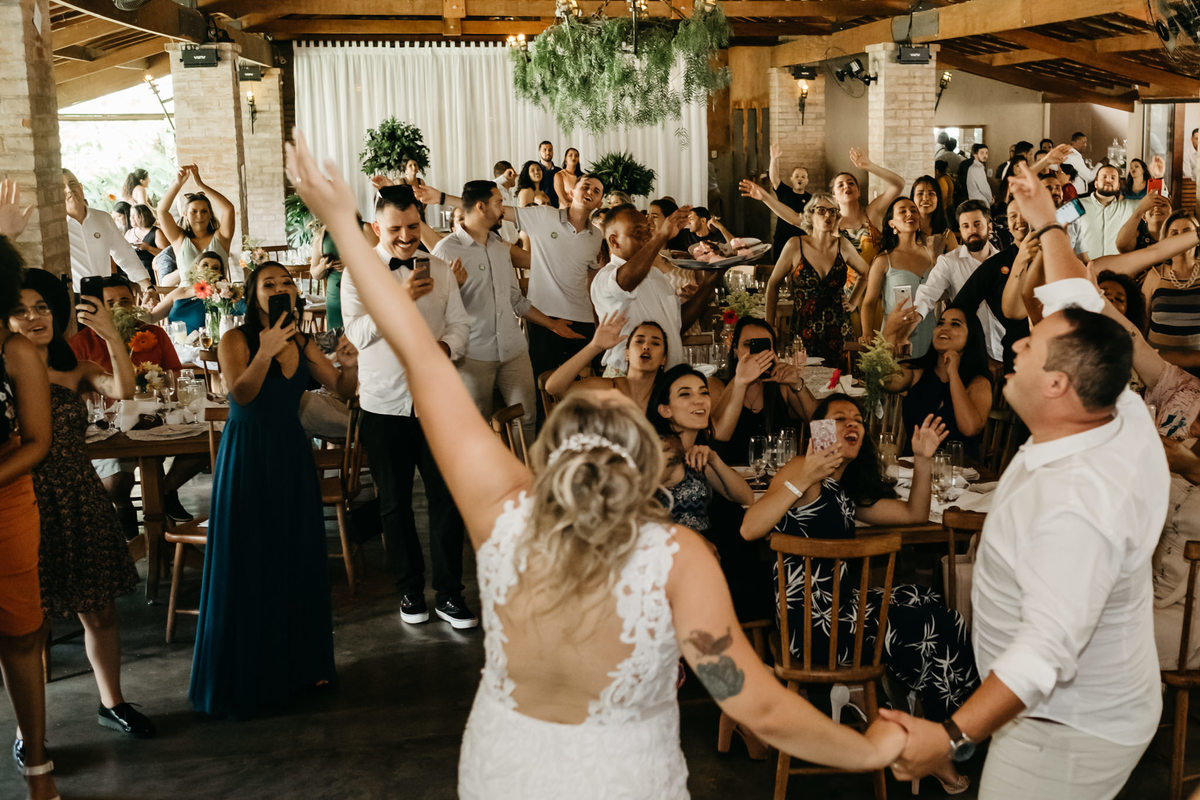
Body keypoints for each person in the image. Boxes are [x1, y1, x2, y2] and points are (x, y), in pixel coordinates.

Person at [285, 130, 910, 799]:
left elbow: (420, 359)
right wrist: (873, 746)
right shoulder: (676, 557)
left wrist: (341, 225)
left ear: (551, 461)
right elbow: (753, 703)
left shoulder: (506, 517)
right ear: (646, 470)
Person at [883, 161, 1169, 800]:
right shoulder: (1114, 402)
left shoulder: (1079, 503)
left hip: (1067, 728)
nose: (1015, 346)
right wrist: (1045, 221)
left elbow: (1045, 655)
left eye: (1031, 349)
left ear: (1059, 385)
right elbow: (1077, 298)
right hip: (1076, 711)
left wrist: (950, 735)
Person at [741, 395, 977, 794]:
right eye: (838, 418)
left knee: (927, 600)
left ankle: (921, 716)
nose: (852, 423)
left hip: (842, 610)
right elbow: (750, 528)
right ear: (817, 429)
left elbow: (913, 516)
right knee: (935, 625)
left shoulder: (841, 485)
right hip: (813, 624)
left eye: (856, 419)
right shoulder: (804, 471)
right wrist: (806, 471)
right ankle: (936, 744)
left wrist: (922, 459)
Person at [189, 264, 358, 719]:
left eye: (286, 283)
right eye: (270, 285)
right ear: (252, 295)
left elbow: (342, 387)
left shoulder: (303, 342)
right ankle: (247, 675)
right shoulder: (236, 340)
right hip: (246, 454)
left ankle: (302, 668)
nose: (280, 289)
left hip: (289, 451)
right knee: (249, 558)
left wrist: (350, 363)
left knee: (295, 554)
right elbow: (239, 395)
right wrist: (264, 353)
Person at [8, 268, 156, 741]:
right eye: (22, 310)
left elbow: (124, 391)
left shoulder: (75, 369)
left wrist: (112, 336)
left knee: (101, 610)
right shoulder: (6, 371)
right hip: (24, 500)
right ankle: (27, 733)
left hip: (79, 497)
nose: (35, 318)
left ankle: (112, 702)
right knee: (28, 626)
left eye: (43, 308)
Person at [344, 184, 477, 628]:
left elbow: (461, 325)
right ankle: (409, 591)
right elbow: (359, 335)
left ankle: (450, 594)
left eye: (413, 226)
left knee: (446, 500)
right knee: (394, 504)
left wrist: (447, 346)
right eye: (396, 228)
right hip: (384, 405)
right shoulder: (356, 276)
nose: (405, 236)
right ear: (376, 227)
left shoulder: (439, 268)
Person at [417, 172, 606, 401]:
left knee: (572, 395)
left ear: (600, 202)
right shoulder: (543, 216)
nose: (590, 192)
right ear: (571, 191)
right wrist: (443, 198)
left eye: (597, 191)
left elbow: (591, 274)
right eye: (585, 186)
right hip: (520, 329)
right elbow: (492, 209)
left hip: (569, 323)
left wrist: (595, 316)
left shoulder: (596, 236)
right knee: (539, 393)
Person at [434, 180, 576, 443]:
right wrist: (452, 288)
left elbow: (515, 298)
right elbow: (433, 314)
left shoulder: (500, 247)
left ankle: (525, 480)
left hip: (514, 351)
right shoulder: (445, 250)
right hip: (472, 354)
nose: (503, 209)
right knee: (475, 427)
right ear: (481, 207)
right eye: (498, 202)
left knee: (527, 420)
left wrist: (552, 324)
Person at [0, 227, 57, 800]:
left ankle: (38, 768)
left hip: (8, 500)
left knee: (21, 635)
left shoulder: (13, 350)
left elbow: (37, 442)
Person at [69, 276, 197, 529]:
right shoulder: (81, 343)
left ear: (135, 302)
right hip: (112, 428)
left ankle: (165, 492)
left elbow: (175, 377)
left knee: (205, 447)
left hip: (156, 418)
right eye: (110, 302)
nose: (118, 307)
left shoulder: (155, 334)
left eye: (124, 301)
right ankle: (124, 506)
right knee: (118, 480)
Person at [590, 203, 716, 375]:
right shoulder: (605, 277)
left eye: (648, 232)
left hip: (663, 375)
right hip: (626, 377)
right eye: (638, 233)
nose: (646, 238)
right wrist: (662, 235)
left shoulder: (656, 276)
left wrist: (710, 281)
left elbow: (675, 324)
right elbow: (627, 280)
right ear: (614, 240)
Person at [751, 190, 870, 361]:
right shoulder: (795, 245)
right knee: (804, 379)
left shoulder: (842, 245)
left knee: (840, 382)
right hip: (803, 330)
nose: (828, 215)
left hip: (838, 329)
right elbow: (773, 284)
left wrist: (853, 302)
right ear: (810, 214)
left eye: (833, 211)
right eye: (821, 210)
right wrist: (770, 324)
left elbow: (866, 273)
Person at [882, 304, 993, 461]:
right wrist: (889, 333)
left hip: (960, 475)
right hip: (912, 470)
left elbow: (969, 428)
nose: (944, 328)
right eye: (940, 323)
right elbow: (883, 381)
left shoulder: (979, 382)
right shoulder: (916, 372)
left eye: (955, 324)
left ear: (971, 336)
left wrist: (953, 373)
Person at [710, 317, 815, 464]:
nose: (757, 353)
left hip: (777, 476)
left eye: (764, 346)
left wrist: (797, 383)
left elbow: (819, 422)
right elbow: (719, 435)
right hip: (731, 478)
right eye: (749, 345)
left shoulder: (781, 385)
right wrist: (741, 381)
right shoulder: (716, 385)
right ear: (735, 350)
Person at [913, 199, 1004, 362]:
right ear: (960, 230)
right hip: (969, 352)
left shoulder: (1004, 261)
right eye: (966, 226)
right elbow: (927, 294)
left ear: (989, 227)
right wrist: (910, 324)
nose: (972, 231)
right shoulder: (949, 262)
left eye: (977, 224)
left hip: (1004, 348)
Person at [545, 313, 672, 413]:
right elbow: (553, 387)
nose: (646, 346)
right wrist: (594, 346)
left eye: (655, 343)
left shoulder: (671, 393)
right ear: (626, 354)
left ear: (664, 359)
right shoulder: (608, 388)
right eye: (639, 341)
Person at [860, 197, 936, 356]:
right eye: (903, 211)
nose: (910, 213)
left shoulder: (931, 254)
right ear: (892, 223)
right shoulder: (883, 260)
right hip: (895, 339)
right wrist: (867, 333)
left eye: (914, 210)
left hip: (929, 334)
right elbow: (869, 302)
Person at [64, 169, 151, 292]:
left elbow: (125, 255)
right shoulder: (57, 228)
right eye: (62, 187)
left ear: (81, 187)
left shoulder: (102, 218)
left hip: (106, 296)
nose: (69, 190)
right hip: (74, 300)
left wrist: (148, 286)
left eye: (72, 184)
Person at [156, 164, 236, 282]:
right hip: (186, 297)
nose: (199, 216)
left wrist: (201, 184)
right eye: (194, 211)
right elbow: (162, 211)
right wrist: (178, 184)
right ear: (185, 214)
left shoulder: (222, 237)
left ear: (210, 215)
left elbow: (228, 209)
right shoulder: (179, 239)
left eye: (204, 211)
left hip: (219, 297)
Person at [311, 215, 378, 333]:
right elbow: (314, 273)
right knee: (338, 341)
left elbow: (380, 264)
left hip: (361, 294)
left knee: (363, 335)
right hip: (334, 297)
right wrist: (323, 266)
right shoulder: (321, 234)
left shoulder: (365, 228)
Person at [150, 250, 230, 334]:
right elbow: (151, 318)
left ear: (220, 273)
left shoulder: (225, 296)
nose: (209, 269)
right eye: (205, 265)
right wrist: (143, 309)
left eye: (215, 268)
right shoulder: (180, 292)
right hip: (177, 344)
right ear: (196, 268)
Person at [1076, 165, 1138, 260]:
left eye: (1113, 178)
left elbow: (1156, 202)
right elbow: (1054, 222)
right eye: (1104, 177)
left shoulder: (1128, 207)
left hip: (1117, 270)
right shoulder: (1078, 204)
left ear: (1118, 186)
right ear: (1095, 183)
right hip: (1084, 269)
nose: (1108, 180)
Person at [767, 143, 811, 257]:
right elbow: (774, 178)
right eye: (797, 176)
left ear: (807, 181)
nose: (799, 179)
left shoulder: (811, 199)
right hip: (782, 240)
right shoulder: (784, 191)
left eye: (803, 177)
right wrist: (773, 159)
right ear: (791, 179)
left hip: (802, 242)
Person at [910, 174, 957, 260]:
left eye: (931, 193)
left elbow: (954, 269)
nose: (925, 198)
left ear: (938, 198)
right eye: (920, 193)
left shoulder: (947, 236)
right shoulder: (906, 231)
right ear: (912, 198)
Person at [125, 204, 168, 286]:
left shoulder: (156, 232)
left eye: (134, 216)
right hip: (135, 271)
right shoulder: (129, 233)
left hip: (152, 269)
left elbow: (167, 255)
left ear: (143, 216)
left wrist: (148, 248)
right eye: (130, 216)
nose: (131, 219)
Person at [1061, 131, 1097, 196]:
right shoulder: (1074, 156)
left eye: (1086, 142)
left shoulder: (1071, 154)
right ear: (1073, 142)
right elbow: (1089, 177)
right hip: (1076, 193)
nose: (1085, 145)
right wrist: (1101, 164)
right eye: (1083, 143)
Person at [536, 139, 560, 207]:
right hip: (540, 208)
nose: (547, 152)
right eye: (544, 150)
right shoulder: (534, 171)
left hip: (557, 209)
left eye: (550, 150)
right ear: (539, 152)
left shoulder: (559, 171)